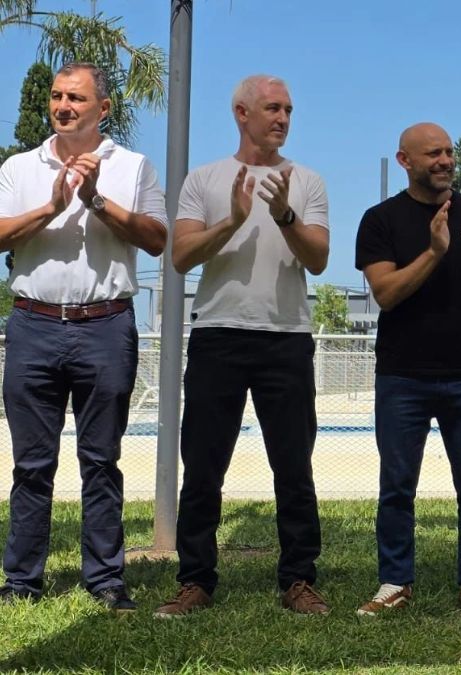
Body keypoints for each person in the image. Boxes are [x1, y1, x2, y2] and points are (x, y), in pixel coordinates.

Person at [154, 75, 331, 617]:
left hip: (286, 339)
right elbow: (181, 257)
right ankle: (196, 580)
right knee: (203, 467)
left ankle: (299, 579)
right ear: (241, 112)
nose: (282, 118)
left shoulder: (307, 181)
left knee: (294, 468)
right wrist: (232, 219)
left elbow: (319, 259)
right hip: (218, 337)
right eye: (272, 108)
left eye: (289, 110)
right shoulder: (204, 180)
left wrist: (284, 216)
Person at [0, 63, 167, 611]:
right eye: (56, 95)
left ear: (104, 108)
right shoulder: (20, 167)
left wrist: (95, 198)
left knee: (100, 460)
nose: (64, 105)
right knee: (31, 464)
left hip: (105, 326)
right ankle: (21, 580)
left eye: (76, 97)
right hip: (33, 324)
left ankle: (105, 579)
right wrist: (51, 207)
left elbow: (157, 240)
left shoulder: (134, 166)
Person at [354, 122, 461, 617]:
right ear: (405, 161)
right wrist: (436, 252)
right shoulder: (380, 220)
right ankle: (394, 582)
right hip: (402, 375)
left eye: (449, 153)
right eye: (433, 154)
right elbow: (387, 293)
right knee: (397, 486)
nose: (444, 161)